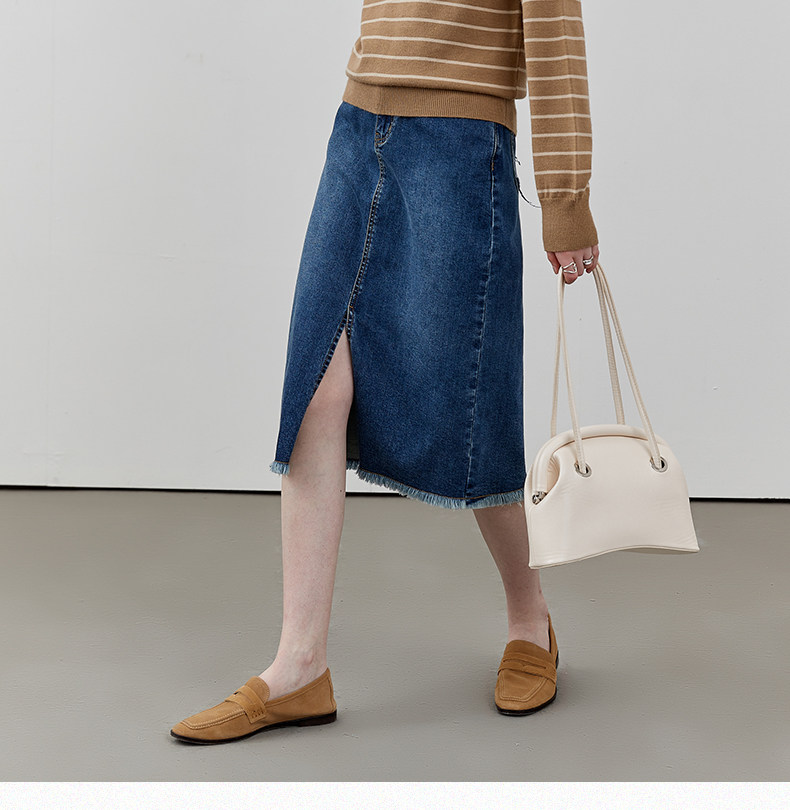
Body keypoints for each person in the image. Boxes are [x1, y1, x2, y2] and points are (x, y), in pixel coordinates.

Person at [171, 0, 600, 744]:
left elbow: (557, 39)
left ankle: (530, 619)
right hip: (358, 125)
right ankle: (299, 666)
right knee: (314, 392)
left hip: (462, 145)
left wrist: (566, 201)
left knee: (471, 408)